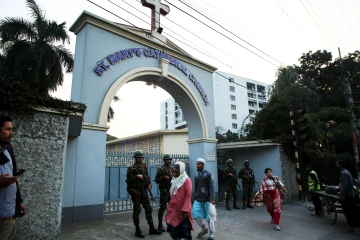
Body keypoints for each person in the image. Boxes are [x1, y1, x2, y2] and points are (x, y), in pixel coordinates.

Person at [0, 114, 26, 239]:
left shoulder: (8, 148)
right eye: (7, 129)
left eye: (11, 129)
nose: (11, 133)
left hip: (8, 211)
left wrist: (19, 201)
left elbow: (13, 175)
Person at [126, 150, 162, 238]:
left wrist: (149, 185)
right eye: (139, 157)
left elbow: (147, 177)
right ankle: (137, 230)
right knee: (137, 210)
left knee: (149, 208)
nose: (140, 159)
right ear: (136, 158)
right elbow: (128, 181)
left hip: (143, 191)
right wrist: (136, 177)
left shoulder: (144, 166)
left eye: (141, 157)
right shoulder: (131, 168)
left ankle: (152, 228)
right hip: (135, 192)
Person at [165, 161, 193, 240]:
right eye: (175, 167)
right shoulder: (174, 179)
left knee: (184, 231)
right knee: (171, 227)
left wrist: (185, 209)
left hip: (183, 210)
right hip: (174, 208)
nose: (175, 169)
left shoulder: (187, 180)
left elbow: (188, 195)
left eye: (177, 168)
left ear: (182, 168)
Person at [192, 158, 216, 240]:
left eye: (199, 164)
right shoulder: (196, 175)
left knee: (210, 217)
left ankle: (211, 234)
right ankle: (203, 228)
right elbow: (196, 187)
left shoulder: (208, 174)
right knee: (195, 214)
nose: (197, 165)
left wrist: (212, 198)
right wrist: (194, 197)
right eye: (197, 163)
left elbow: (211, 186)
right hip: (198, 199)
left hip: (207, 199)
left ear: (203, 164)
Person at [154, 154, 174, 232]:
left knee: (171, 208)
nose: (168, 161)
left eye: (169, 159)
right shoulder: (161, 169)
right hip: (164, 190)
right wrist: (163, 177)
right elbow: (156, 180)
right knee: (163, 207)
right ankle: (160, 224)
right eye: (167, 159)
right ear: (164, 160)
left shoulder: (172, 169)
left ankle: (170, 224)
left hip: (171, 190)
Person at [337, 160, 357, 234]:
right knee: (351, 211)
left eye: (337, 164)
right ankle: (353, 225)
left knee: (347, 211)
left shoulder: (343, 173)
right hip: (350, 194)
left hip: (347, 195)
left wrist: (343, 196)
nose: (336, 165)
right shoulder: (346, 172)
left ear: (340, 165)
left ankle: (351, 227)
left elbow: (345, 186)